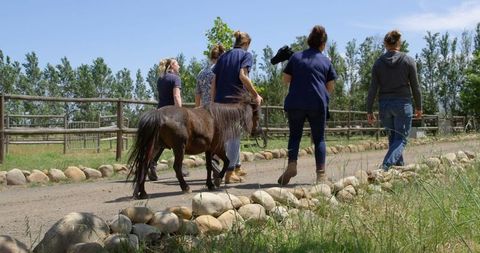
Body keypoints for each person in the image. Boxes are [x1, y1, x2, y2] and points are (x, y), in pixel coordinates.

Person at [277, 25, 337, 185]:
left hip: (295, 102)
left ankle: (292, 164)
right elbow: (330, 87)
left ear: (309, 41)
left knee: (294, 135)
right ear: (323, 44)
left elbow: (285, 80)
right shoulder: (326, 61)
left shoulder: (296, 57)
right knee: (319, 139)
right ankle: (321, 175)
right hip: (317, 103)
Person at [366, 30, 422, 171]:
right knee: (401, 139)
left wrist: (369, 110)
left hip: (385, 105)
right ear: (399, 43)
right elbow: (416, 87)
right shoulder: (408, 60)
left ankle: (399, 168)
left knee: (393, 138)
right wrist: (419, 107)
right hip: (403, 104)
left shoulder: (378, 63)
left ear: (385, 44)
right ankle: (385, 167)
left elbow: (372, 89)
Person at [211, 30, 263, 183]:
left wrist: (213, 102)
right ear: (246, 44)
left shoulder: (223, 56)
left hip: (219, 102)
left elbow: (214, 81)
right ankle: (229, 172)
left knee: (222, 135)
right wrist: (255, 94)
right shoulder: (246, 55)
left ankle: (220, 161)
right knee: (234, 136)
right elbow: (242, 75)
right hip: (235, 103)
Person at [148, 58, 188, 181]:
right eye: (177, 64)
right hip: (171, 115)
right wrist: (181, 112)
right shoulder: (175, 78)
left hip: (159, 113)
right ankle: (180, 169)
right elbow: (176, 96)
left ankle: (151, 164)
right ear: (172, 66)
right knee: (179, 142)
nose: (179, 66)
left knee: (160, 142)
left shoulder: (160, 79)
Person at [195, 44, 225, 174]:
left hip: (204, 110)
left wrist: (197, 109)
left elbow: (197, 93)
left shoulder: (201, 72)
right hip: (218, 108)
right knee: (220, 138)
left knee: (209, 139)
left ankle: (212, 162)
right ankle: (215, 160)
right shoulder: (220, 70)